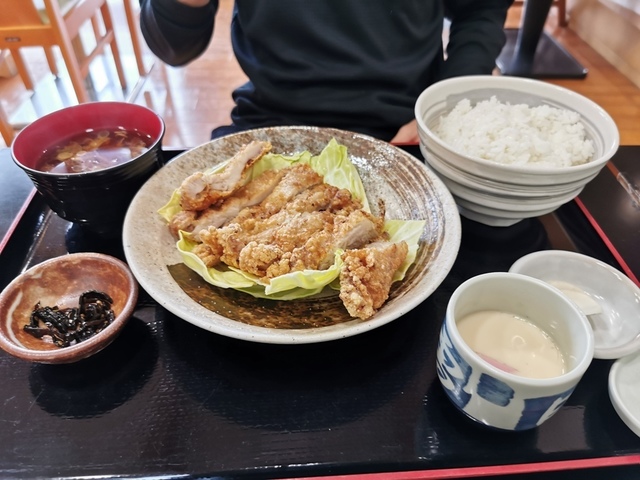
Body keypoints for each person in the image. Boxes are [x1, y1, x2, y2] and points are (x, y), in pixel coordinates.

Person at [139, 0, 513, 143]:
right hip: (269, 123)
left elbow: (480, 9)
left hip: (406, 128)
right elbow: (173, 47)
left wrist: (447, 105)